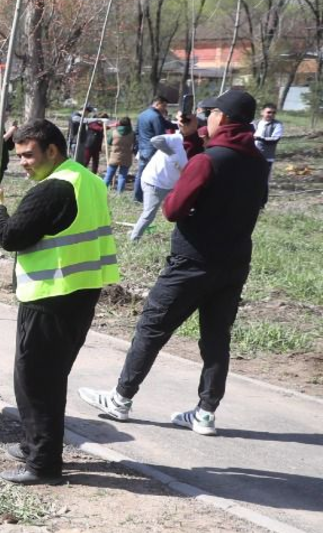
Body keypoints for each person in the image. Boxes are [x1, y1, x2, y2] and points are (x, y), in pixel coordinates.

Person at [78, 89, 270, 437]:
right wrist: (192, 141)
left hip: (192, 261)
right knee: (216, 339)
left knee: (152, 327)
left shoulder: (207, 161)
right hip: (235, 262)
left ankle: (121, 399)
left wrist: (194, 174)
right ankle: (205, 413)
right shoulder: (257, 161)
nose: (205, 118)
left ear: (222, 118)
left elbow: (172, 209)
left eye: (209, 113)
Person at [0, 119, 119, 486]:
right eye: (20, 156)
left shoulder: (53, 190)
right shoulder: (88, 180)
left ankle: (43, 464)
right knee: (46, 378)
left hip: (50, 297)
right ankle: (32, 445)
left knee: (36, 381)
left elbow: (10, 236)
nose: (23, 162)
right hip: (81, 291)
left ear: (53, 151)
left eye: (29, 155)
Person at [128, 119, 189, 241]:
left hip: (170, 185)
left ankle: (134, 232)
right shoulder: (176, 139)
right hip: (155, 182)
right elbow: (155, 140)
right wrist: (171, 154)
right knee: (149, 214)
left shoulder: (194, 148)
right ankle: (134, 239)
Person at [133, 95, 170, 193]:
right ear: (158, 104)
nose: (165, 108)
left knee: (141, 173)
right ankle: (146, 194)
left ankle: (137, 195)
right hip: (152, 149)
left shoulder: (142, 114)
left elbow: (136, 131)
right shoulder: (156, 117)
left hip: (143, 148)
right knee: (150, 174)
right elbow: (160, 135)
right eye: (164, 106)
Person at [104, 118, 133, 187]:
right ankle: (120, 195)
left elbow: (109, 142)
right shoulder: (132, 133)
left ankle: (102, 190)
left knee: (108, 175)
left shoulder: (114, 132)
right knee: (122, 177)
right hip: (126, 157)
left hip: (114, 156)